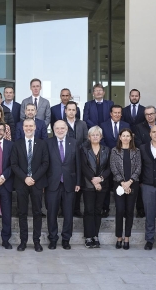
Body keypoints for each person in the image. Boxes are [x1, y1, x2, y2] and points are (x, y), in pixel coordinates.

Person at [11, 118, 49, 252]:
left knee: (37, 212)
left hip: (37, 183)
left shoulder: (42, 144)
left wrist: (33, 178)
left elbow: (45, 163)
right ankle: (23, 241)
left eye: (30, 126)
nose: (28, 128)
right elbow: (14, 164)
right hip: (21, 183)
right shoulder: (17, 144)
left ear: (35, 128)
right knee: (22, 213)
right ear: (22, 128)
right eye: (26, 126)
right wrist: (25, 178)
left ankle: (36, 241)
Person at [46, 120, 80, 250]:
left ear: (66, 129)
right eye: (57, 128)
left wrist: (78, 182)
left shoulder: (74, 142)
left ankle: (66, 239)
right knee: (52, 213)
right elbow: (45, 164)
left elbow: (78, 164)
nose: (60, 130)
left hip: (69, 183)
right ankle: (53, 239)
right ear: (53, 129)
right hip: (52, 184)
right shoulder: (48, 143)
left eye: (62, 128)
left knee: (68, 213)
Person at [110, 128, 141, 250]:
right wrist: (123, 183)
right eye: (124, 135)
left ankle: (127, 237)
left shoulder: (136, 151)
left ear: (131, 137)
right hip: (119, 185)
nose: (126, 138)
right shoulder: (114, 151)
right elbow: (113, 167)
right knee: (120, 210)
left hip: (133, 184)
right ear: (120, 137)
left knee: (129, 211)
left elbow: (139, 167)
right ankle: (119, 237)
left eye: (128, 136)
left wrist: (130, 182)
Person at [80, 126, 111, 248]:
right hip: (88, 185)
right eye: (93, 135)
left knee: (98, 211)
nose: (95, 137)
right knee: (89, 211)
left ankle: (95, 236)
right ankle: (88, 237)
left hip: (103, 185)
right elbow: (84, 167)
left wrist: (101, 179)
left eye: (97, 135)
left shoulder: (107, 150)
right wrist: (94, 181)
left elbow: (109, 168)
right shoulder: (83, 149)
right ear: (89, 137)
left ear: (101, 137)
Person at [98, 105, 129, 217]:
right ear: (110, 113)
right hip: (106, 156)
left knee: (120, 182)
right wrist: (110, 152)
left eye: (119, 113)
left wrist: (118, 152)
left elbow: (127, 140)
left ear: (121, 114)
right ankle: (105, 208)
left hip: (122, 157)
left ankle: (122, 209)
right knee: (106, 183)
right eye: (114, 112)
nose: (117, 114)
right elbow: (102, 140)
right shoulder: (103, 125)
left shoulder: (126, 125)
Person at [64, 101, 88, 218]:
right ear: (65, 111)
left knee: (78, 182)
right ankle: (62, 209)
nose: (71, 112)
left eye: (74, 110)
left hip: (79, 156)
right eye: (69, 109)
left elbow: (85, 140)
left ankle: (76, 209)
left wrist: (78, 149)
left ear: (76, 111)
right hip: (64, 157)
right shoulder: (61, 124)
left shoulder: (82, 124)